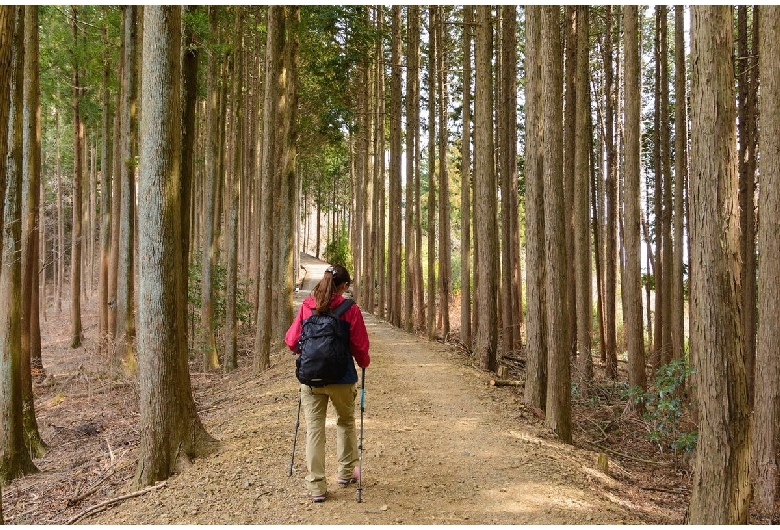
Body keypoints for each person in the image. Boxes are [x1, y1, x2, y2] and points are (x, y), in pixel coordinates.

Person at [285, 264, 370, 503]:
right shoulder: (350, 309)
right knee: (345, 421)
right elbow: (360, 346)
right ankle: (345, 473)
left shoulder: (307, 306)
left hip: (311, 379)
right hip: (342, 378)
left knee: (314, 429)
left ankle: (317, 486)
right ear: (343, 286)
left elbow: (291, 341)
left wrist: (309, 352)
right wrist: (363, 363)